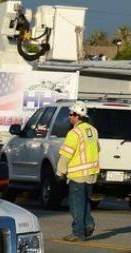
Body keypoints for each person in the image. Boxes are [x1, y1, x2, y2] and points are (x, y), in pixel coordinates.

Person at [56, 101, 100, 242]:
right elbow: (97, 149)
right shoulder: (92, 130)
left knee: (76, 205)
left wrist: (60, 172)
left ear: (76, 116)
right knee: (84, 202)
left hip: (78, 175)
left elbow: (66, 155)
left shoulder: (74, 133)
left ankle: (78, 232)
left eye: (71, 114)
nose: (69, 117)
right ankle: (87, 224)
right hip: (92, 173)